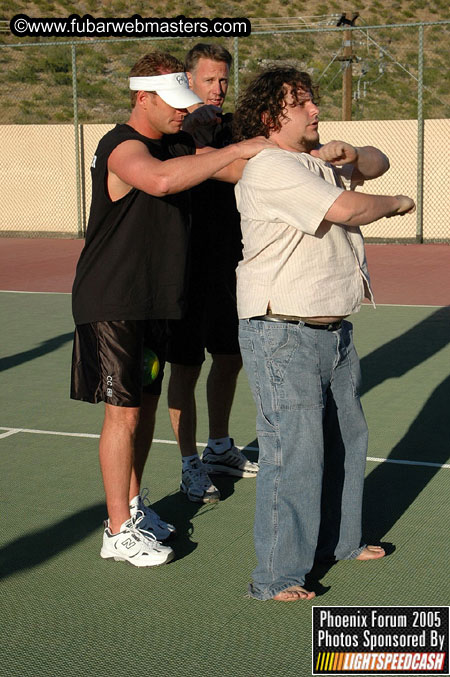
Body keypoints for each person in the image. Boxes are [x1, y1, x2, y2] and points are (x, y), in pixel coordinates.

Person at [70, 51, 272, 567]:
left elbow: (235, 171)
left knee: (145, 407)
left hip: (157, 301)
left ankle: (133, 510)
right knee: (124, 415)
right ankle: (117, 531)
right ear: (143, 97)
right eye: (175, 103)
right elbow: (159, 180)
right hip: (112, 299)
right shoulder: (120, 145)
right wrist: (231, 148)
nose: (185, 111)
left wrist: (302, 155)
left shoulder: (180, 142)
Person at [232, 66, 415, 600]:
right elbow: (350, 208)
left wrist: (350, 153)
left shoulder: (313, 163)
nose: (315, 110)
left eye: (313, 101)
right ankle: (277, 576)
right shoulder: (271, 168)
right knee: (295, 452)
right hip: (281, 331)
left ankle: (340, 541)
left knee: (345, 440)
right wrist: (399, 204)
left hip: (331, 330)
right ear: (272, 116)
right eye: (302, 103)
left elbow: (376, 163)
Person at [167, 44, 258, 505]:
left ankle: (219, 447)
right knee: (185, 364)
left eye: (224, 79)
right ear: (188, 80)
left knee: (229, 355)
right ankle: (189, 464)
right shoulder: (175, 128)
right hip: (183, 268)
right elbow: (234, 171)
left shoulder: (234, 127)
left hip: (230, 263)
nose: (219, 88)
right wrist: (218, 151)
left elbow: (247, 170)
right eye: (209, 80)